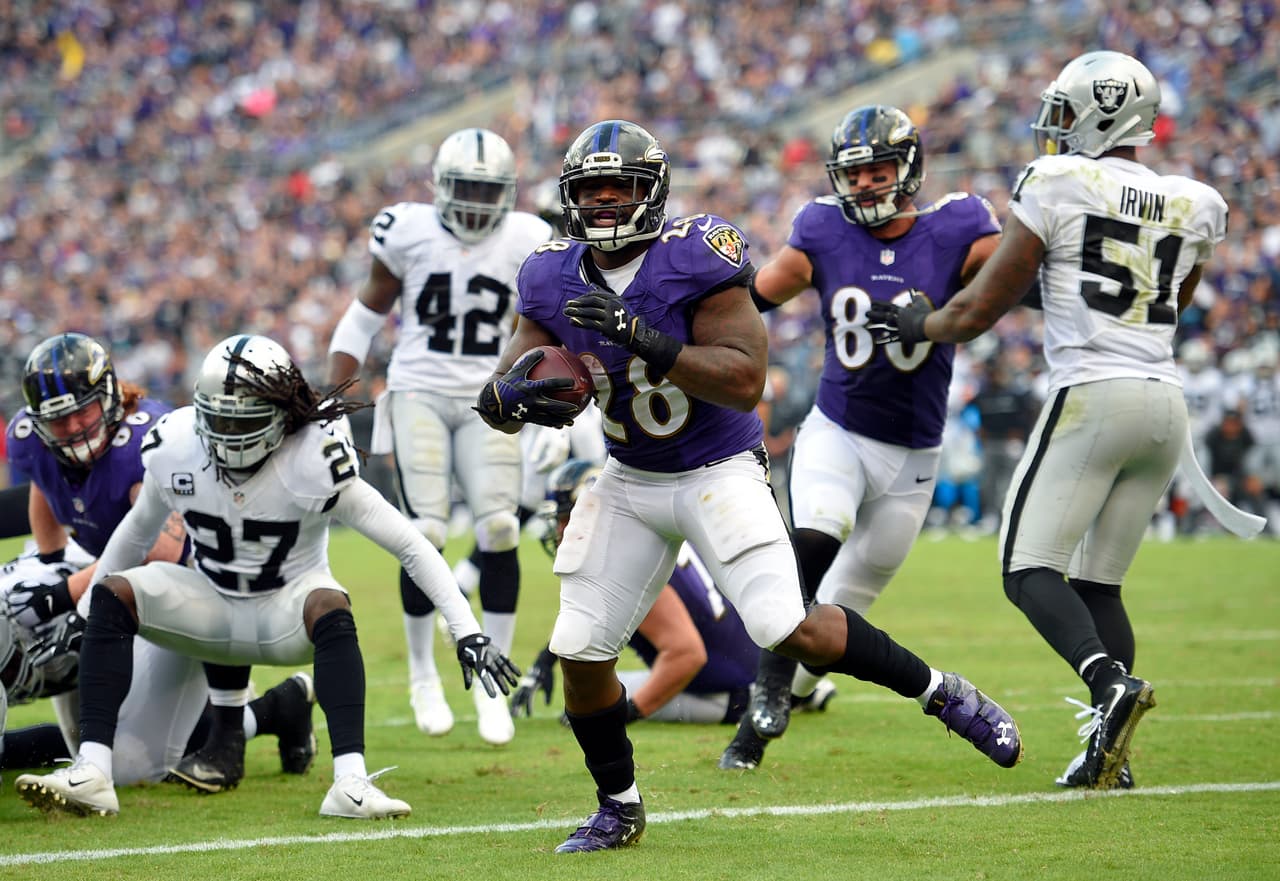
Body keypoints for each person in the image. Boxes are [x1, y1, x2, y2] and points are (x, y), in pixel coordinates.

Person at [474, 119, 1021, 854]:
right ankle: (620, 804)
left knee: (786, 626)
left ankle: (942, 691)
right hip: (630, 475)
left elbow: (743, 381)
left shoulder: (696, 254)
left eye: (619, 188)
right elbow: (514, 374)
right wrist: (504, 401)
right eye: (590, 191)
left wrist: (642, 336)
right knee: (580, 646)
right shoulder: (548, 272)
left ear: (653, 193)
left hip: (716, 468)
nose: (604, 204)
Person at [865, 50, 1230, 789]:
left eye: (1066, 112)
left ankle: (1107, 683)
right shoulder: (1199, 201)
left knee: (1026, 565)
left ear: (1102, 114)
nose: (1055, 128)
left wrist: (920, 325)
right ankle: (1110, 756)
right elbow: (1169, 303)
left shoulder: (1059, 182)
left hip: (1093, 394)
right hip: (1164, 403)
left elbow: (979, 309)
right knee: (1101, 584)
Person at [15, 333, 519, 818]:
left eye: (247, 423)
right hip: (208, 608)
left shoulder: (314, 457)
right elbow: (133, 536)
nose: (232, 438)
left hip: (286, 615)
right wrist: (83, 613)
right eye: (221, 423)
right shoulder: (176, 445)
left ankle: (350, 782)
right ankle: (92, 771)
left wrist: (467, 629)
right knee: (114, 591)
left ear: (283, 415)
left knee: (330, 604)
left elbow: (409, 543)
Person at [716, 104, 1003, 770]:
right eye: (856, 172)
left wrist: (947, 314)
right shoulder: (820, 228)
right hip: (839, 430)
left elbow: (1009, 280)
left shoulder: (959, 225)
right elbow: (754, 296)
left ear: (908, 169)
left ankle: (784, 690)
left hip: (915, 455)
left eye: (879, 169)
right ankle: (758, 713)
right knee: (814, 536)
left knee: (840, 613)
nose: (868, 183)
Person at [2, 332, 316, 788]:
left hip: (178, 590)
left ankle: (274, 709)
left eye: (80, 412)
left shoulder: (148, 441)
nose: (71, 429)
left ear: (108, 396)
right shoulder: (33, 440)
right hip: (106, 572)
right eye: (58, 420)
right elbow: (46, 482)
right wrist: (50, 557)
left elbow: (157, 552)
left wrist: (61, 595)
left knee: (131, 762)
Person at [327, 127, 553, 746]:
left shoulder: (529, 238)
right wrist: (334, 403)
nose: (479, 202)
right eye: (468, 189)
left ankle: (492, 681)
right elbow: (363, 316)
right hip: (419, 391)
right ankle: (423, 672)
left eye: (489, 190)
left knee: (500, 528)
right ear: (442, 189)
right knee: (423, 531)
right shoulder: (407, 230)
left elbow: (548, 326)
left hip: (491, 393)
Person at [509, 460, 835, 725]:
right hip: (747, 663)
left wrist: (628, 713)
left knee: (587, 699)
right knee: (591, 680)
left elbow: (686, 654)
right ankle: (801, 686)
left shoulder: (627, 562)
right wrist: (544, 661)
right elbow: (592, 617)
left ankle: (788, 693)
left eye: (570, 517)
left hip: (725, 692)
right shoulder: (649, 535)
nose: (562, 530)